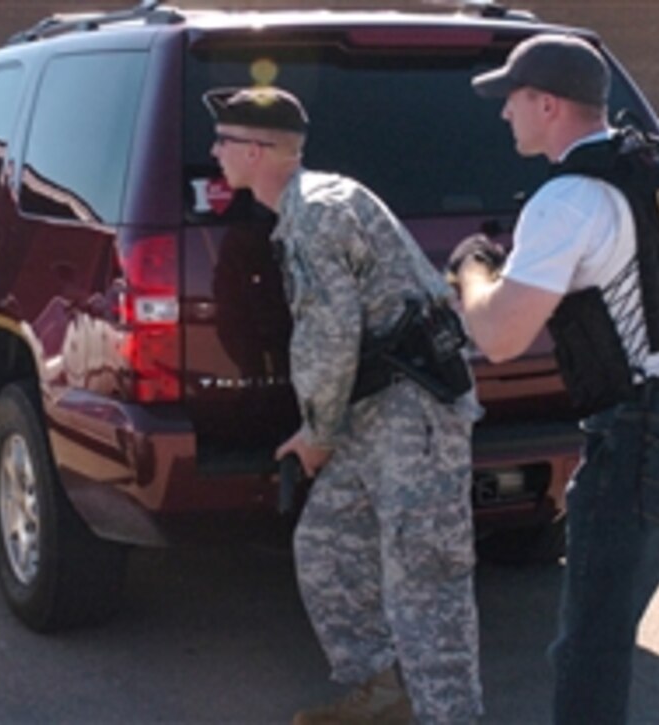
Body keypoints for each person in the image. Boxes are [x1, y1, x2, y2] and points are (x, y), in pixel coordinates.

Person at [452, 33, 659, 724]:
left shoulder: (565, 202)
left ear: (547, 104)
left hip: (644, 435)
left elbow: (501, 336)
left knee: (595, 645)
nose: (503, 114)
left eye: (510, 100)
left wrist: (471, 271)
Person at [204, 86, 483, 723]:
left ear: (256, 149)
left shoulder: (318, 211)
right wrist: (322, 427)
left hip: (412, 415)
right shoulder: (308, 207)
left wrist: (318, 433)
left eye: (223, 142)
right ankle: (385, 691)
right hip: (372, 413)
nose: (214, 153)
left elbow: (330, 336)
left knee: (426, 583)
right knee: (327, 546)